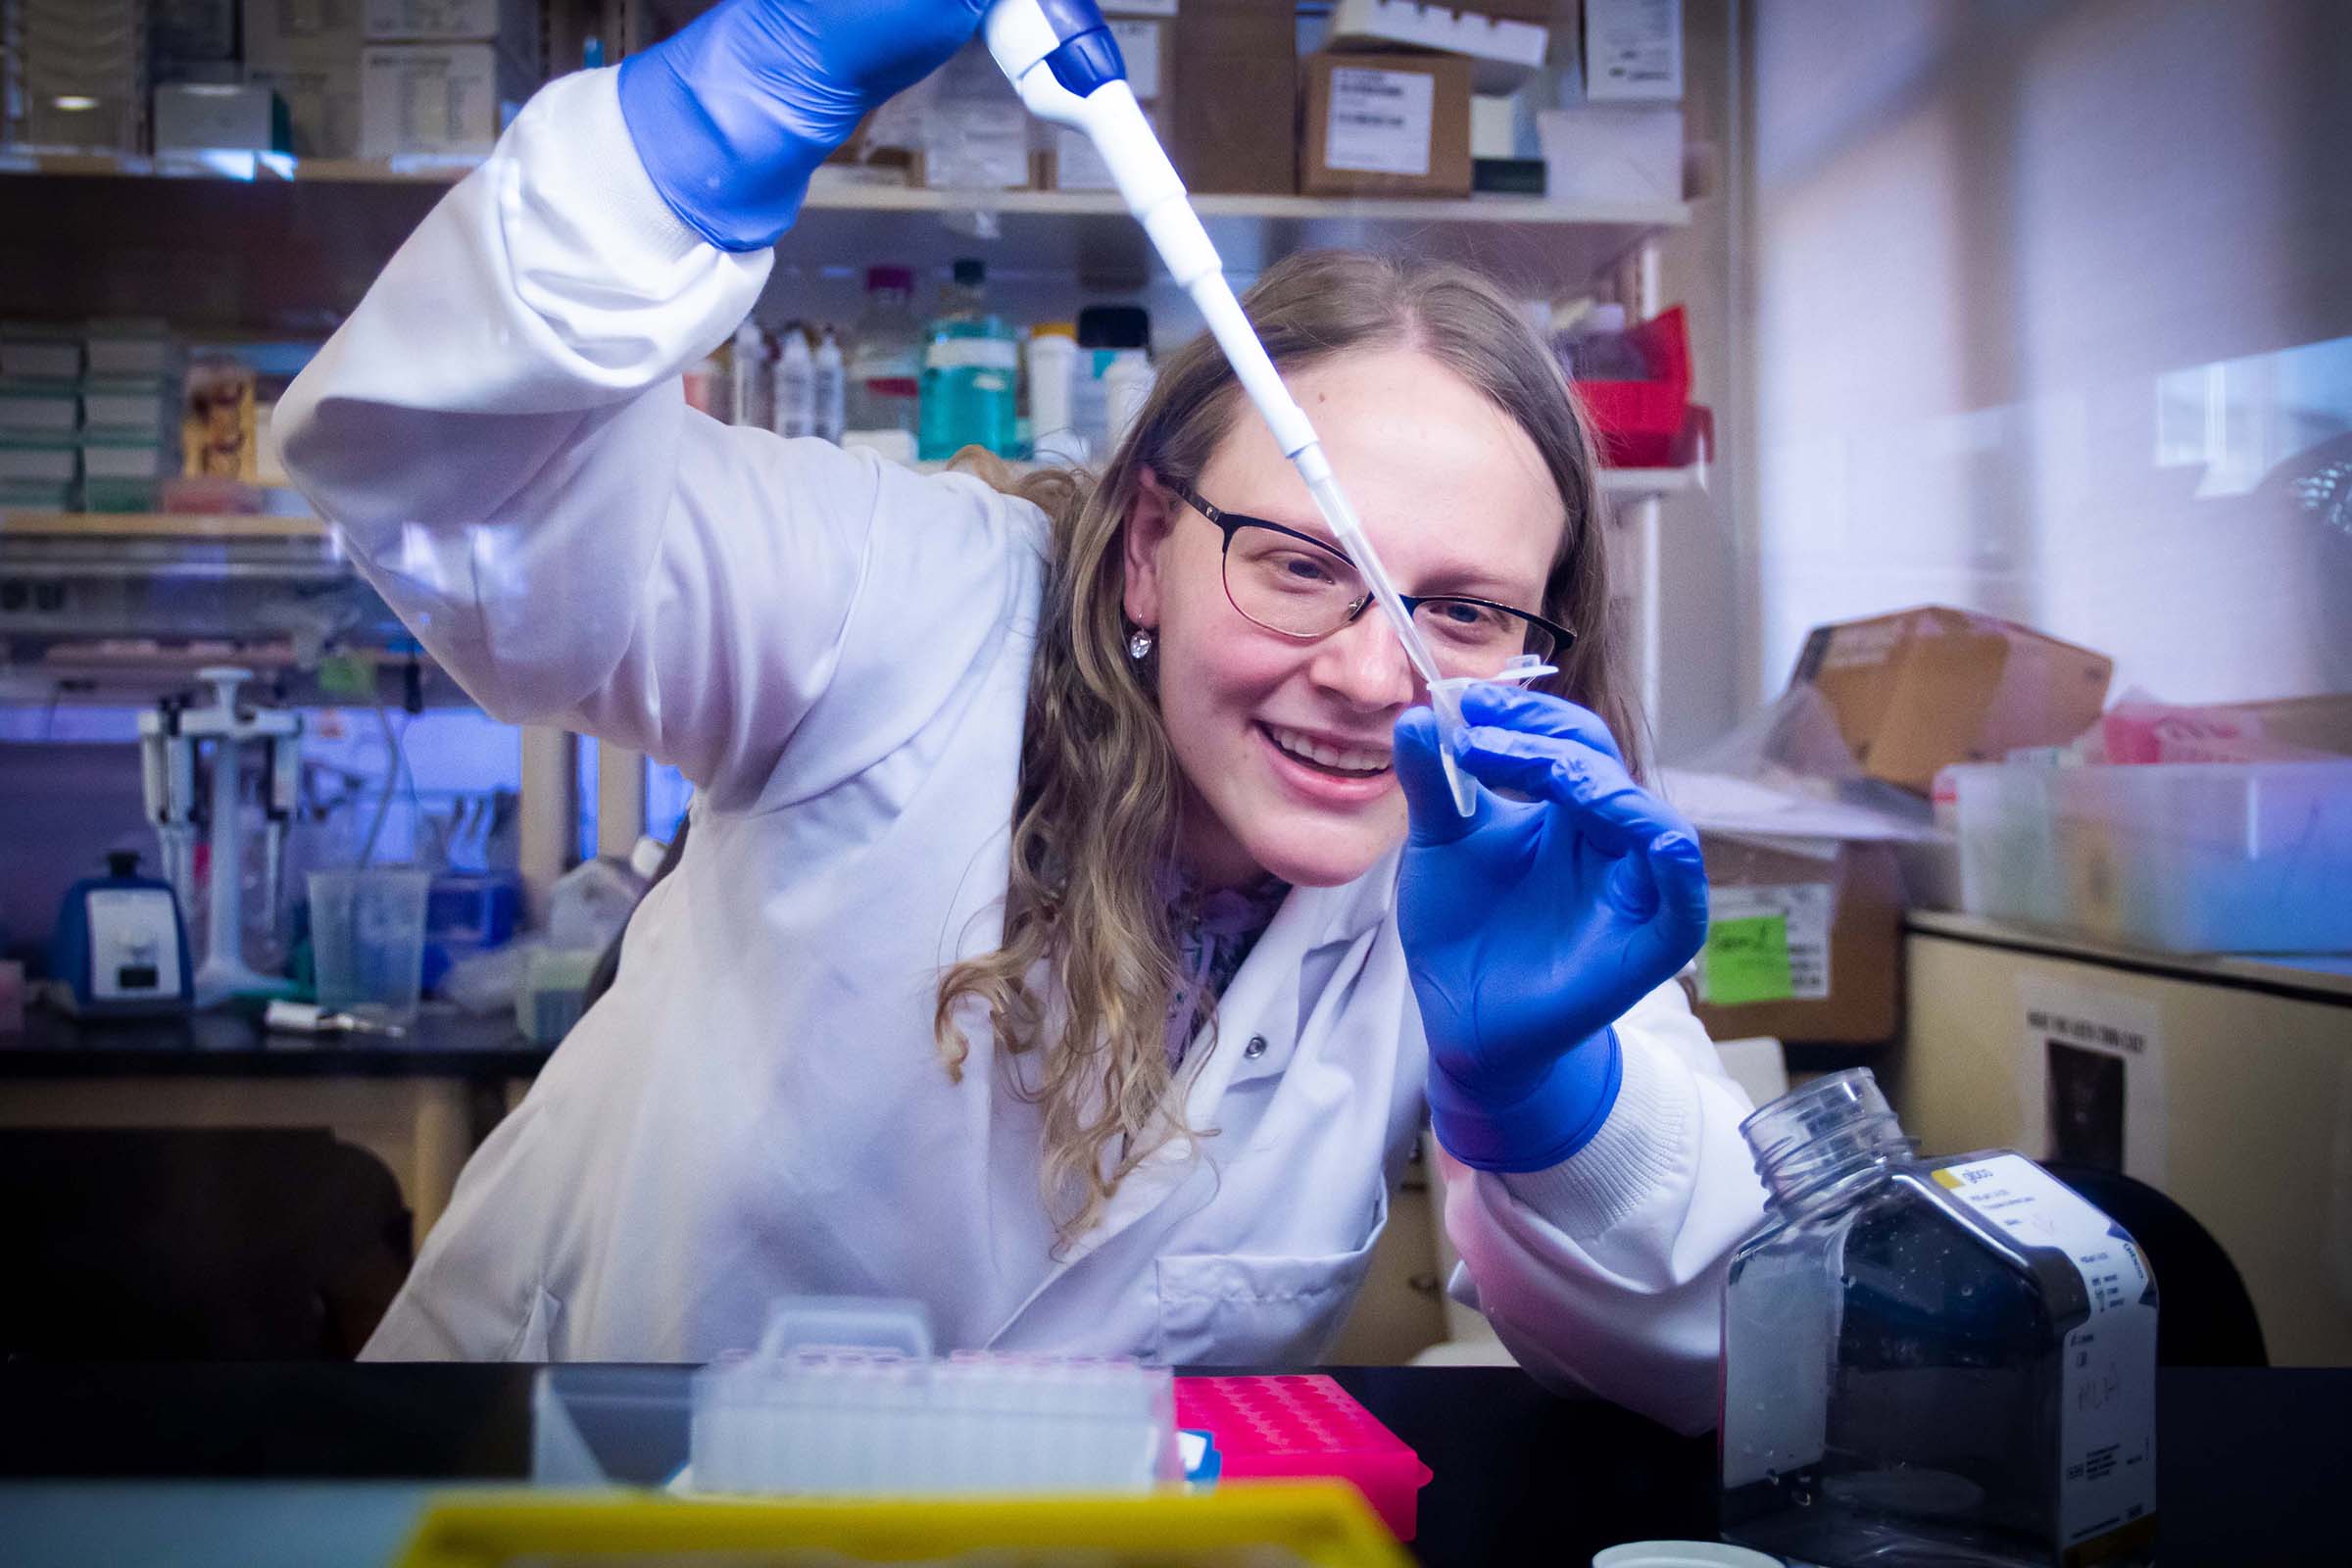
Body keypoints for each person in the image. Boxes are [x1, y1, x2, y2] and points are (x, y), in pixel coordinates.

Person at [277, 0, 1766, 1434]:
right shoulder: (913, 605)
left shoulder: (1489, 846)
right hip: (575, 1519)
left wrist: (1543, 1096)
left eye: (1462, 611)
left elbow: (1724, 1350)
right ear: (1145, 550)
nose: (1378, 681)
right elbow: (451, 493)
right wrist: (726, 104)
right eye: (1303, 565)